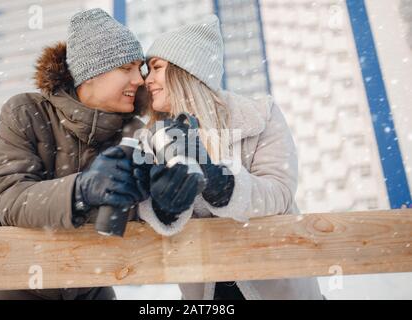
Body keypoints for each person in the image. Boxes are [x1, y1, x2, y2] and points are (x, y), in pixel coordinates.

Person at [137, 15, 323, 300]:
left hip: (276, 286)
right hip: (206, 291)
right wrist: (164, 207)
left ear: (186, 71)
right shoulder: (151, 139)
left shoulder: (260, 116)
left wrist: (221, 183)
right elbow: (145, 213)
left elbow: (280, 193)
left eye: (157, 68)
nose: (147, 80)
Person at [0, 8, 149, 300]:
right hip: (22, 285)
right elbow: (8, 201)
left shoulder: (135, 132)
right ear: (91, 73)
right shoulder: (25, 112)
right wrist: (81, 190)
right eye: (127, 68)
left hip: (93, 287)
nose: (139, 79)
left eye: (140, 68)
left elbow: (138, 217)